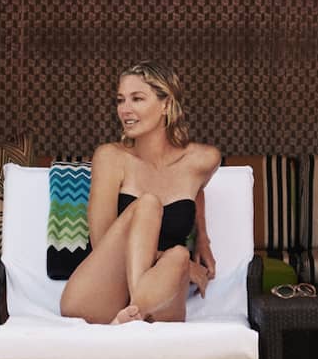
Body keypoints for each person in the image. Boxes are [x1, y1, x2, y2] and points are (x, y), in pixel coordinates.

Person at [59, 61, 221, 326]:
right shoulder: (111, 158)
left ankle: (132, 315)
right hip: (99, 296)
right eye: (121, 100)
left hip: (161, 297)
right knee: (148, 205)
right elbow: (101, 241)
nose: (125, 110)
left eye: (137, 99)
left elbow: (197, 188)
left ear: (166, 105)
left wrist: (202, 237)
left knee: (179, 254)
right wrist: (180, 265)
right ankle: (137, 309)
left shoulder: (202, 160)